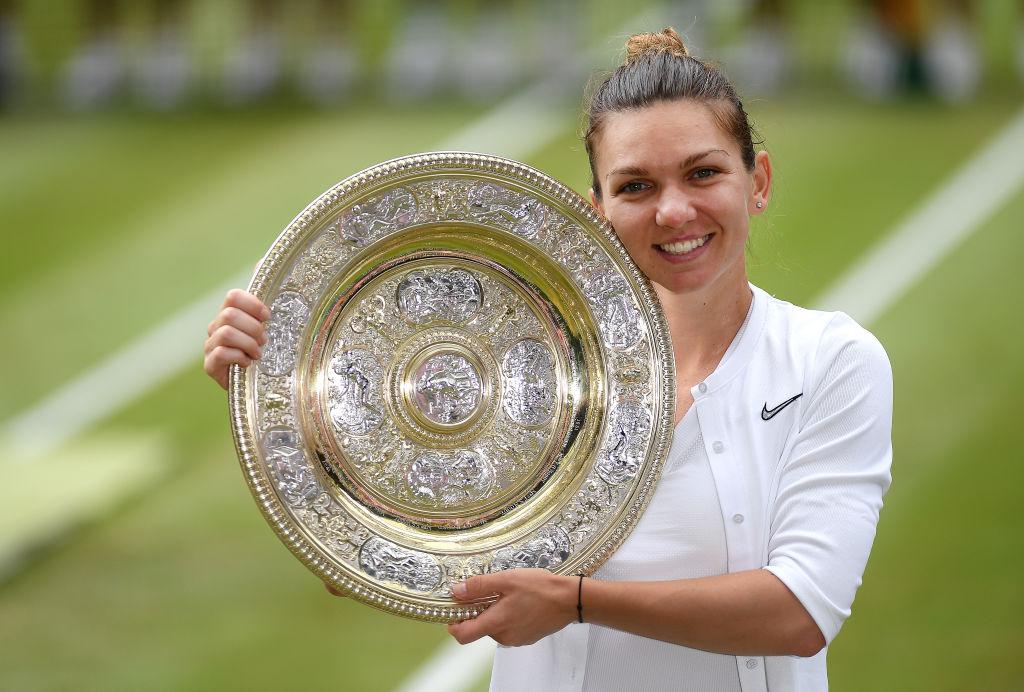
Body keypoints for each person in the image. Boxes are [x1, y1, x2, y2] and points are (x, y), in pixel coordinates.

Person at [203, 28, 893, 691]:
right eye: (636, 187)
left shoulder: (829, 362)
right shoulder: (531, 373)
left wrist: (576, 602)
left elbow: (800, 613)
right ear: (596, 209)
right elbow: (389, 561)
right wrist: (271, 395)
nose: (674, 211)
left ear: (758, 180)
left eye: (702, 173)